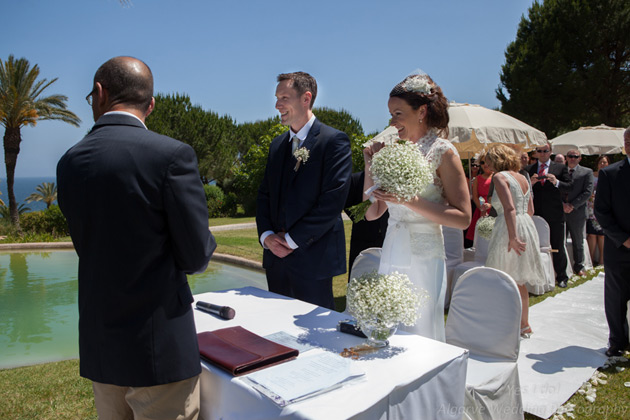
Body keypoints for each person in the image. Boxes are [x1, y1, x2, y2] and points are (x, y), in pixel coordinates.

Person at [57, 56, 216, 419]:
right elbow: (195, 257)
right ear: (151, 104)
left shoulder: (70, 161)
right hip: (158, 348)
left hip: (101, 345)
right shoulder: (171, 156)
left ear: (100, 93)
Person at [363, 73, 471, 341]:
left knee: (419, 328)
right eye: (390, 114)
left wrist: (409, 200)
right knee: (388, 322)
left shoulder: (442, 151)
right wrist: (370, 162)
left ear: (421, 111)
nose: (392, 121)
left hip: (424, 255)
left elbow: (463, 218)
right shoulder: (391, 150)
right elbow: (373, 211)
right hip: (392, 246)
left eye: (398, 113)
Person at [256, 71, 352, 310]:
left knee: (315, 341)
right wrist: (267, 237)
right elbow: (264, 195)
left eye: (284, 98)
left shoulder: (334, 141)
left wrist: (291, 240)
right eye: (277, 98)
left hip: (313, 260)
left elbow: (332, 202)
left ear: (306, 98)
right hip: (276, 261)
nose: (277, 105)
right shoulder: (277, 145)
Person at [484, 144, 545, 338]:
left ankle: (506, 322)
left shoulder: (500, 177)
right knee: (518, 279)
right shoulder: (523, 177)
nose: (486, 164)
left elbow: (509, 208)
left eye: (488, 160)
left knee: (504, 276)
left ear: (496, 160)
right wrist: (522, 229)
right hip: (525, 224)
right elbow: (531, 210)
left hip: (508, 227)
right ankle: (524, 324)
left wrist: (512, 237)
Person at [594, 128, 630, 357]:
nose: (629, 143)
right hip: (619, 248)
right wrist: (624, 239)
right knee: (616, 297)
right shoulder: (610, 173)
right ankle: (617, 340)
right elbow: (601, 212)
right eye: (627, 140)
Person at [526, 142, 573, 287]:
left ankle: (562, 276)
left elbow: (570, 187)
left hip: (555, 213)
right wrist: (530, 184)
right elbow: (523, 191)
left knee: (557, 245)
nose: (542, 153)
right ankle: (538, 276)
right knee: (536, 246)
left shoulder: (560, 168)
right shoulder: (529, 170)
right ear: (535, 153)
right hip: (536, 213)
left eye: (545, 151)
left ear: (550, 151)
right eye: (539, 151)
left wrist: (557, 182)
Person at [344, 171, 388, 280]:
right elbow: (349, 207)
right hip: (363, 237)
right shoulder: (355, 179)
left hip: (387, 235)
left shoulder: (392, 180)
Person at [560, 149, 594, 275]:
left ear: (580, 158)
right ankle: (563, 268)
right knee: (560, 240)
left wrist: (572, 205)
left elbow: (587, 192)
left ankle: (579, 267)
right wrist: (562, 204)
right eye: (570, 156)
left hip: (577, 212)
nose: (572, 158)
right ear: (566, 158)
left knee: (578, 241)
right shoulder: (560, 171)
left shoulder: (587, 172)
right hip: (562, 211)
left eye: (575, 156)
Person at [587, 155, 610, 265]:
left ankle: (602, 260)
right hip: (591, 208)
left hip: (605, 208)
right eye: (601, 162)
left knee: (602, 235)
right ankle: (590, 260)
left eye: (605, 162)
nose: (602, 164)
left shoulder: (610, 175)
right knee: (591, 234)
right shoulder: (592, 176)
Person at [465, 159, 493, 242]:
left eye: (487, 162)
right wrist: (481, 207)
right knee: (480, 238)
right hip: (480, 209)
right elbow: (475, 196)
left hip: (494, 209)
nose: (485, 164)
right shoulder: (478, 178)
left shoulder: (497, 176)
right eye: (482, 162)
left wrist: (490, 205)